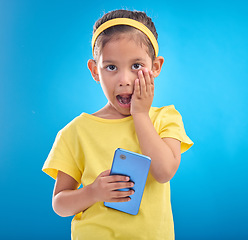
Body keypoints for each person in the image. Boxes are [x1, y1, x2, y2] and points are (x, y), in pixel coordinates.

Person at [42, 9, 193, 240]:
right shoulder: (75, 132)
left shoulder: (165, 118)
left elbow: (164, 172)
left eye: (136, 66)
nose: (124, 80)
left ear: (156, 67)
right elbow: (60, 205)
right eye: (111, 67)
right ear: (95, 71)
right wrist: (93, 192)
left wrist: (141, 115)